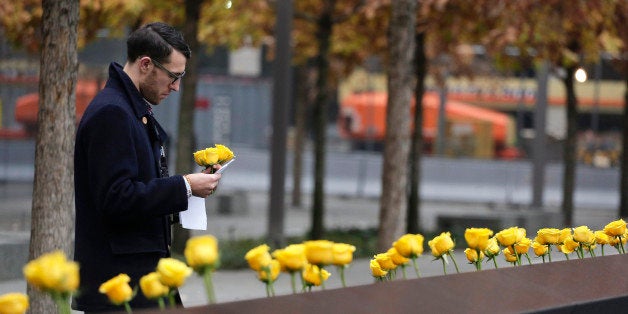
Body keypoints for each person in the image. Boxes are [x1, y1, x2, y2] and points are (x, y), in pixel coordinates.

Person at [73, 22, 221, 312]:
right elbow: (117, 198)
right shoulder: (113, 113)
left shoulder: (127, 108)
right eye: (173, 76)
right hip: (122, 286)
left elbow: (138, 188)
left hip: (136, 280)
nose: (176, 87)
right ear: (145, 64)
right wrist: (185, 186)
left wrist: (188, 190)